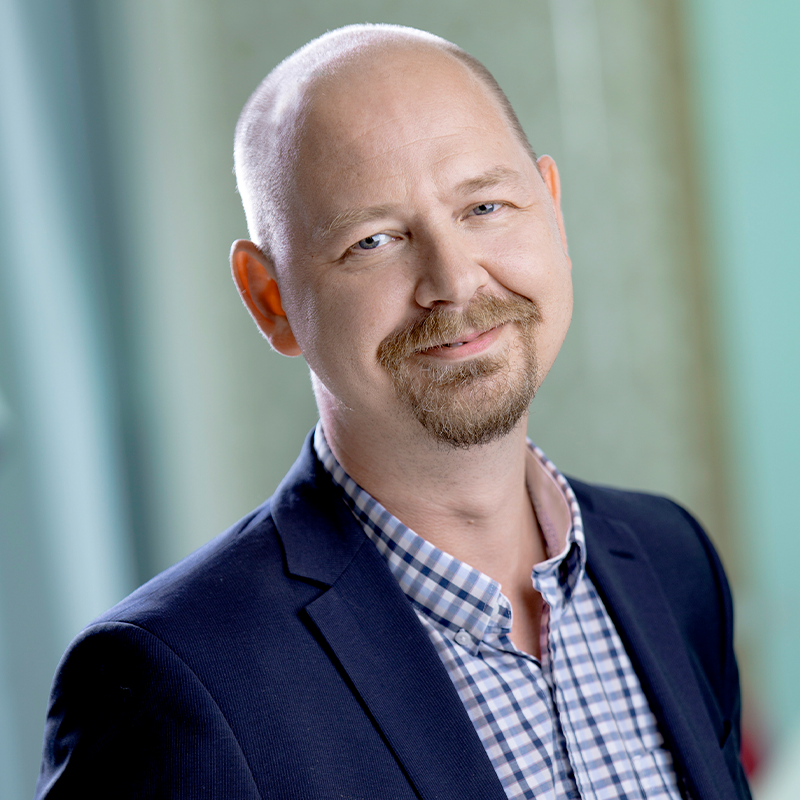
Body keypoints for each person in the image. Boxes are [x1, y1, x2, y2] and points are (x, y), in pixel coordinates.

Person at [36, 24, 751, 800]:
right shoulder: (170, 683)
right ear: (270, 300)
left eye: (485, 206)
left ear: (553, 210)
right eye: (373, 240)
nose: (454, 280)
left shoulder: (672, 564)